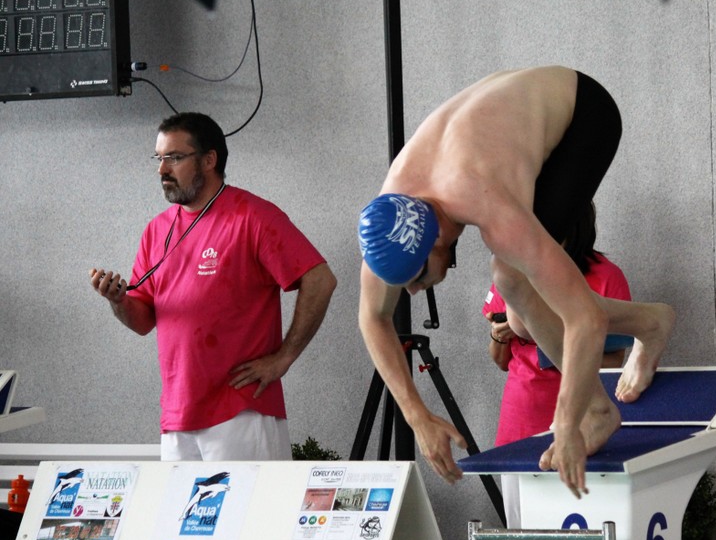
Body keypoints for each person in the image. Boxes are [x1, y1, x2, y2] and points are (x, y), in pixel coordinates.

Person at [357, 66, 675, 498]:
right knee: (521, 310)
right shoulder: (391, 218)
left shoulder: (487, 204)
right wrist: (418, 417)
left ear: (437, 238)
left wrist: (568, 422)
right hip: (505, 125)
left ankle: (599, 410)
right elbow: (372, 317)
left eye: (417, 278)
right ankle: (649, 322)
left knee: (511, 276)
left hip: (583, 114)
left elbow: (586, 321)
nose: (413, 291)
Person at [89, 112, 337, 461]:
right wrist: (118, 301)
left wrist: (283, 358)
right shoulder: (157, 230)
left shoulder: (252, 216)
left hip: (241, 410)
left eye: (174, 157)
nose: (162, 170)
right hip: (178, 415)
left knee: (250, 500)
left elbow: (320, 279)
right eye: (158, 158)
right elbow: (143, 321)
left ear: (209, 160)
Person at [483, 201, 631, 540]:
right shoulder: (513, 272)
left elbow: (615, 362)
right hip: (520, 423)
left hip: (584, 429)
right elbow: (499, 360)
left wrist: (549, 335)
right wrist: (502, 334)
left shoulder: (606, 276)